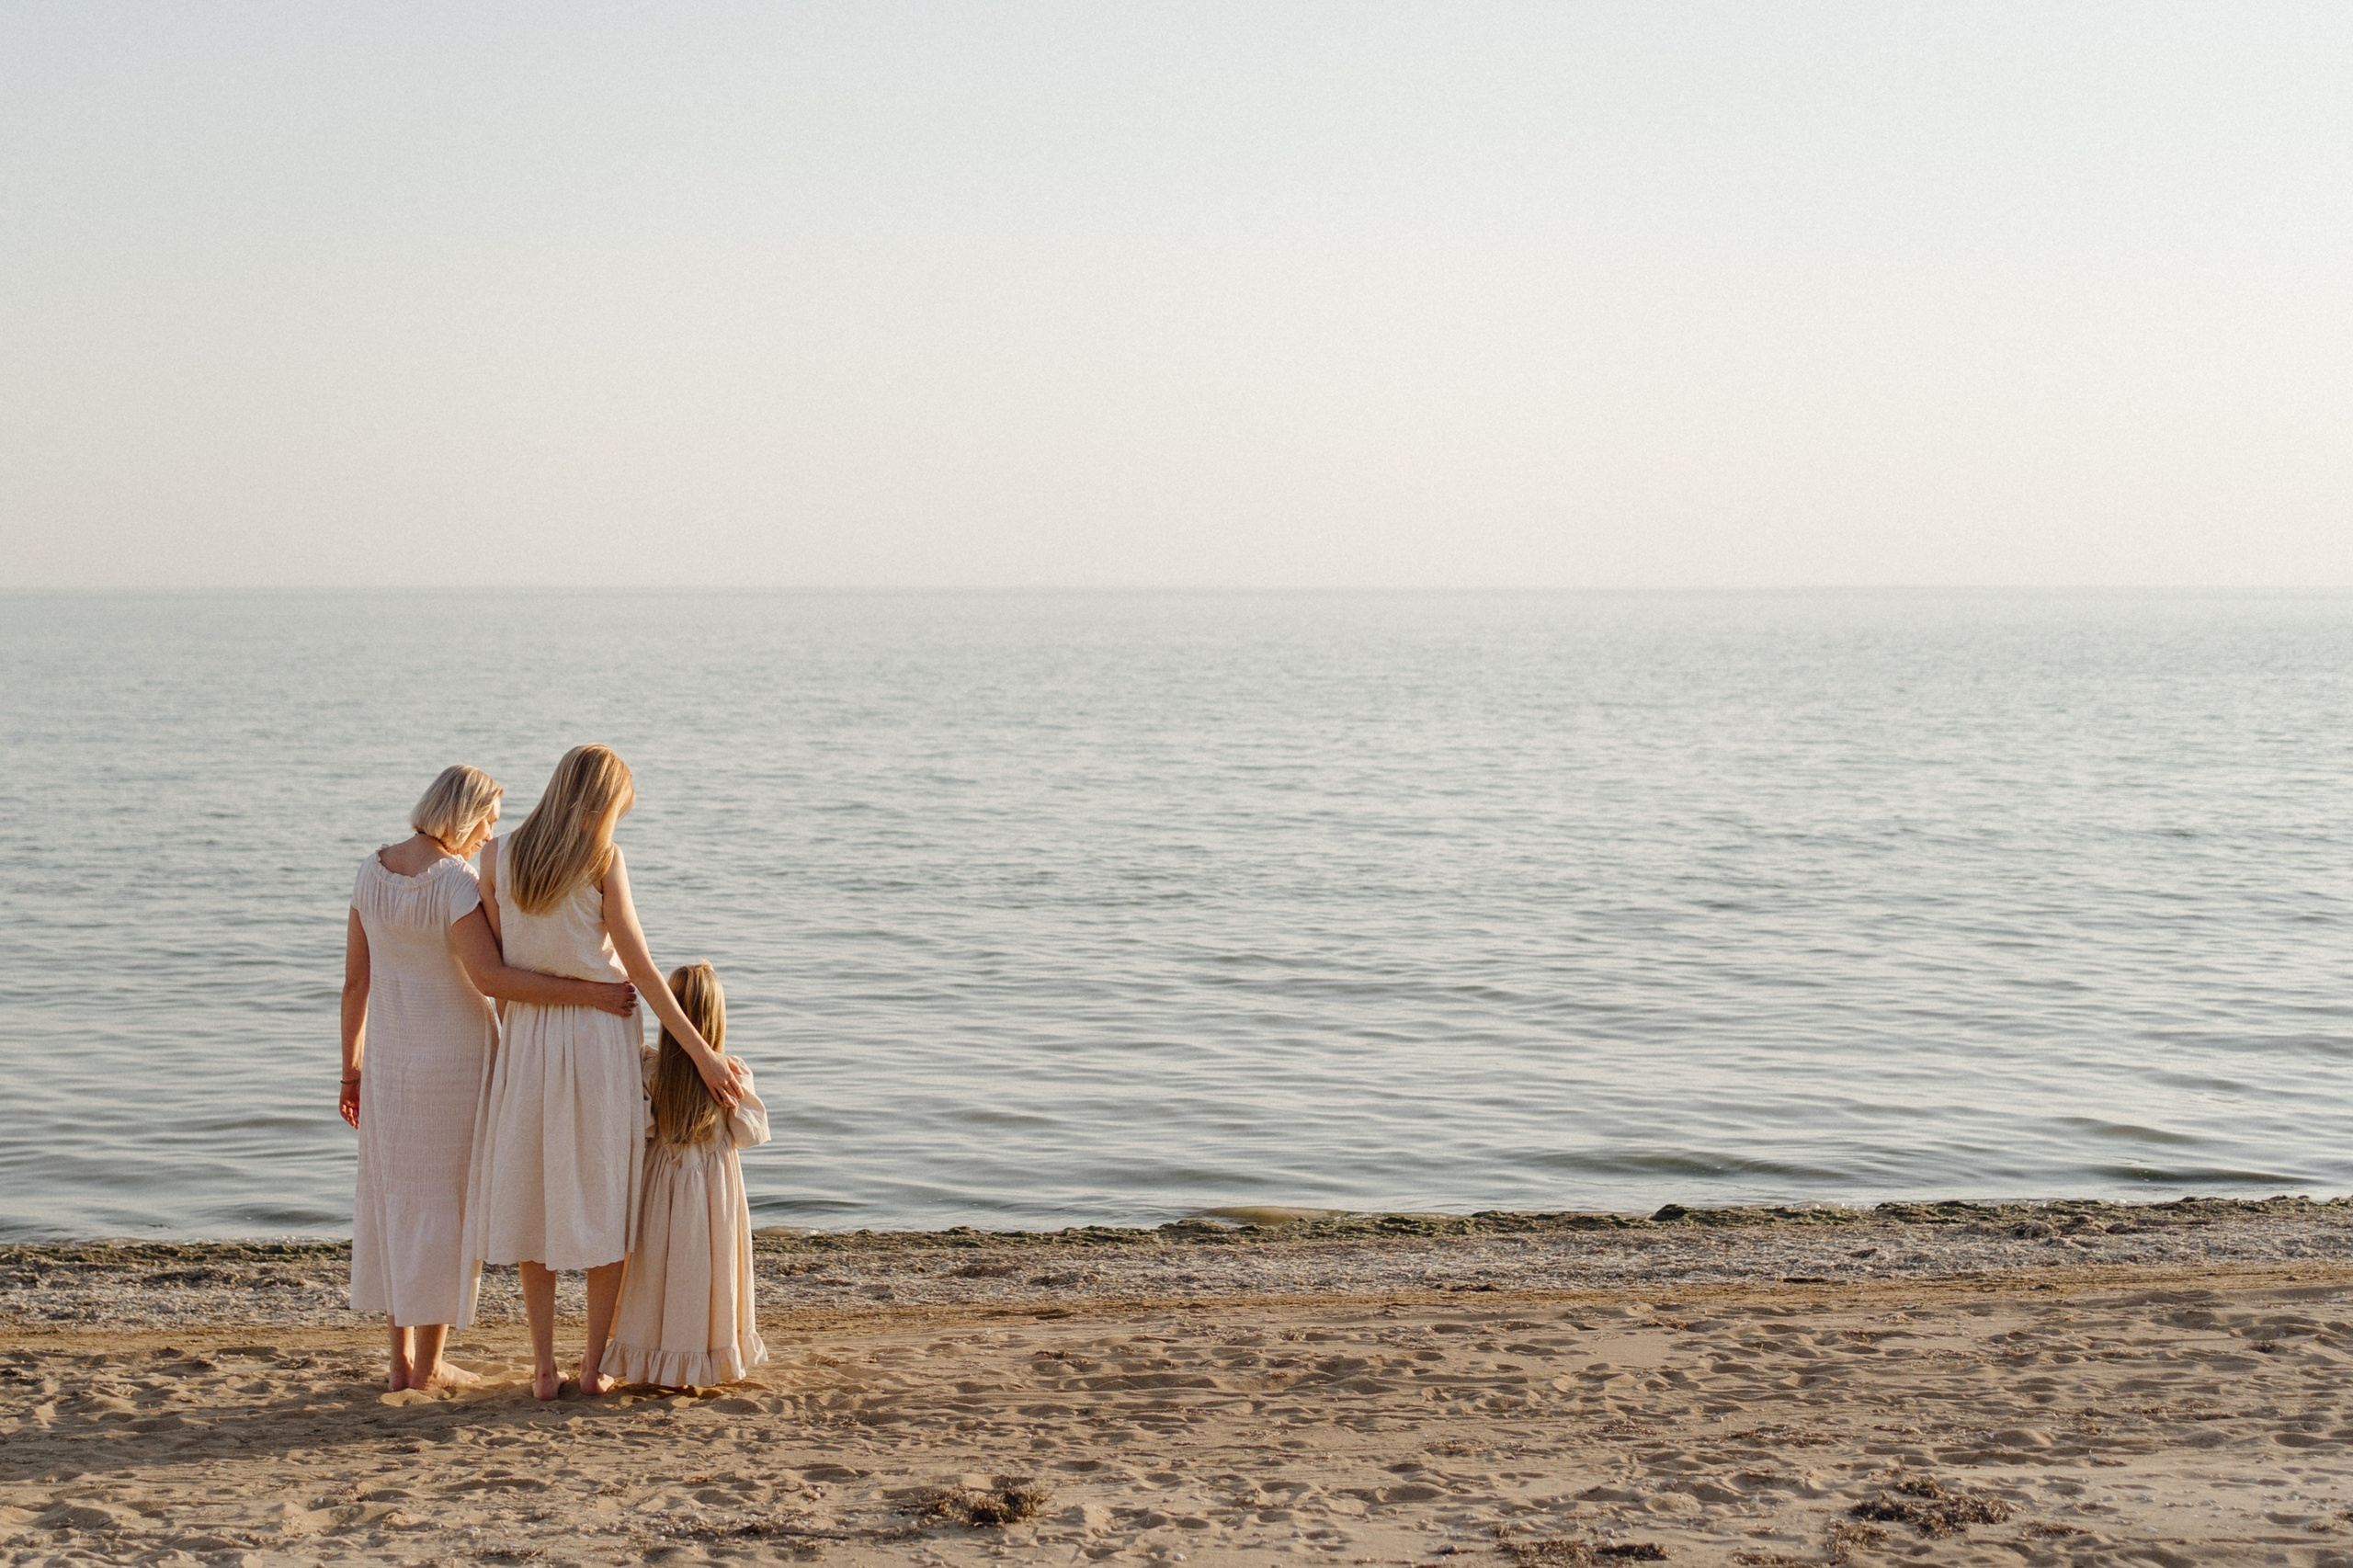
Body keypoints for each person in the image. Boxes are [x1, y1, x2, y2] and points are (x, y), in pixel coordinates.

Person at [342, 764, 638, 1393]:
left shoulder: (370, 871)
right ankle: (427, 1368)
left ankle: (398, 1365)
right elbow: (494, 977)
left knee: (395, 1202)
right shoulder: (455, 883)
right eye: (486, 825)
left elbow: (354, 983)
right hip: (454, 1061)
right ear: (464, 816)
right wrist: (589, 991)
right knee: (445, 1209)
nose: (485, 838)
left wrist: (350, 1067)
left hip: (389, 1062)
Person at [469, 744, 749, 1400]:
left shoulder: (495, 857)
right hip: (597, 1041)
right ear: (598, 805)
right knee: (604, 1200)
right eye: (616, 810)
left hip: (530, 1039)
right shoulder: (602, 860)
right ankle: (593, 1367)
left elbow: (500, 973)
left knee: (534, 1196)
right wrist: (703, 1055)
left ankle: (543, 1369)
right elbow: (643, 970)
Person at [607, 961, 770, 1389]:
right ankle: (705, 1357)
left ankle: (651, 1356)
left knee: (655, 1273)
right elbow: (750, 1133)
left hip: (661, 1187)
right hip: (715, 1192)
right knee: (708, 1271)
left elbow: (636, 1127)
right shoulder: (731, 1075)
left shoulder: (650, 1070)